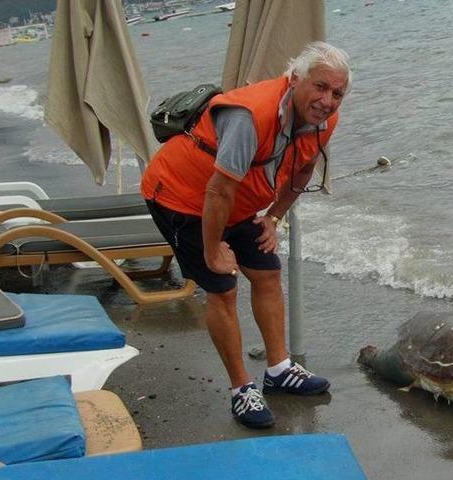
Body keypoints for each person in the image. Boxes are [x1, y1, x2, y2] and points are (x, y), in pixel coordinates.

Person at [140, 42, 351, 428]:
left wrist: (274, 217)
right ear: (295, 79)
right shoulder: (249, 117)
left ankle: (280, 370)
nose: (327, 100)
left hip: (235, 200)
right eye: (320, 87)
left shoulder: (323, 121)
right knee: (223, 287)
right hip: (182, 196)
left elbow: (303, 169)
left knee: (267, 273)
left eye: (338, 93)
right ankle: (242, 389)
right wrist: (212, 249)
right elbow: (217, 191)